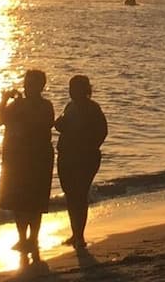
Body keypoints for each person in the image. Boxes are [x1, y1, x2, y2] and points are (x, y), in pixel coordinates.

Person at [0, 70, 55, 265]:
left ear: (41, 86)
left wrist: (20, 111)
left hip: (38, 157)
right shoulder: (16, 104)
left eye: (34, 84)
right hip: (16, 158)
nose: (29, 88)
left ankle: (33, 238)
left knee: (35, 200)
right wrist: (4, 100)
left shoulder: (45, 106)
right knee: (17, 200)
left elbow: (42, 125)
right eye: (27, 83)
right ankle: (23, 239)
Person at [54, 75, 107, 248]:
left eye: (75, 88)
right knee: (71, 195)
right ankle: (75, 233)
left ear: (85, 90)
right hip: (67, 155)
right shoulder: (70, 106)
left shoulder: (92, 108)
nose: (71, 92)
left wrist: (88, 146)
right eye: (70, 88)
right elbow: (62, 126)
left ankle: (80, 236)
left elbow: (102, 131)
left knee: (79, 195)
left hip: (84, 158)